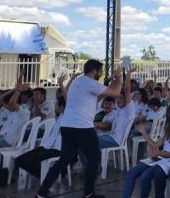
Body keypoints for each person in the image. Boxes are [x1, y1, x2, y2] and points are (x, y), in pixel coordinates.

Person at [36, 60, 123, 198]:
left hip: (68, 127)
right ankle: (88, 193)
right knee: (94, 160)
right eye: (100, 71)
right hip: (83, 127)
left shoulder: (78, 82)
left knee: (62, 161)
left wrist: (111, 83)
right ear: (94, 71)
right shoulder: (89, 82)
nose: (101, 74)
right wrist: (119, 77)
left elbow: (101, 96)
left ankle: (41, 194)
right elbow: (116, 93)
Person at [121, 104, 170, 198]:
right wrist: (143, 132)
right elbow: (155, 145)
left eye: (169, 115)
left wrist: (161, 153)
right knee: (132, 173)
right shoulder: (168, 128)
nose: (167, 117)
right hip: (161, 157)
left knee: (145, 177)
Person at [15, 96, 66, 178]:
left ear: (62, 106)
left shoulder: (68, 118)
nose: (54, 107)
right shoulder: (60, 116)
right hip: (48, 146)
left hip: (58, 149)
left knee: (30, 161)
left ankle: (48, 177)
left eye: (56, 104)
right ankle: (46, 175)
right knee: (19, 160)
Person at [0, 76, 31, 148]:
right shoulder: (12, 111)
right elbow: (0, 99)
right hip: (1, 137)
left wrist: (18, 91)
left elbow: (11, 103)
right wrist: (15, 89)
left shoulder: (24, 112)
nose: (6, 106)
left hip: (8, 142)